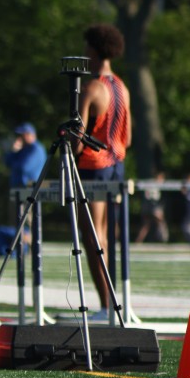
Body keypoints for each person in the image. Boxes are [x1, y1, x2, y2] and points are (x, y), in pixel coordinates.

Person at [73, 23, 131, 320]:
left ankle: (106, 305)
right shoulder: (122, 87)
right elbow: (127, 138)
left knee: (93, 238)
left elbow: (77, 137)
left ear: (94, 50)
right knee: (107, 237)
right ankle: (113, 303)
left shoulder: (91, 88)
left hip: (93, 168)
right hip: (117, 165)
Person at [5, 122, 47, 188]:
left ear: (30, 135)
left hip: (31, 187)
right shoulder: (24, 148)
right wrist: (13, 150)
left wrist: (14, 164)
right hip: (19, 187)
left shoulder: (36, 149)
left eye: (22, 135)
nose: (20, 138)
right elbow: (7, 162)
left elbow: (24, 167)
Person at [134, 171, 169, 244]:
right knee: (160, 221)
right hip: (151, 207)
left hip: (150, 207)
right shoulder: (151, 184)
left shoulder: (157, 185)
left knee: (146, 225)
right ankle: (164, 238)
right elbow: (148, 196)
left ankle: (138, 241)